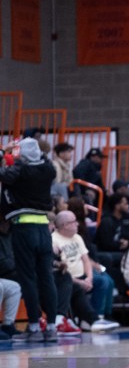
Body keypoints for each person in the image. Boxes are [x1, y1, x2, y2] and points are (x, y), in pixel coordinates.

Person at [0, 138, 58, 341]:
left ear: (22, 155)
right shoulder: (48, 170)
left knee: (28, 279)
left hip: (24, 227)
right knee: (47, 278)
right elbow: (42, 158)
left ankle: (33, 327)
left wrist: (6, 153)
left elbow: (4, 174)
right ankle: (51, 326)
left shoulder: (20, 171)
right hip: (43, 227)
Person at [51, 211, 119, 332]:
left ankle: (96, 318)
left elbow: (86, 260)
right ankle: (89, 320)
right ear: (65, 225)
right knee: (74, 286)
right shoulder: (54, 240)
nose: (77, 224)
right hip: (67, 279)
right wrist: (80, 282)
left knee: (104, 281)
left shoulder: (77, 237)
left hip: (83, 276)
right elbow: (57, 271)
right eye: (74, 222)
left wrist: (89, 278)